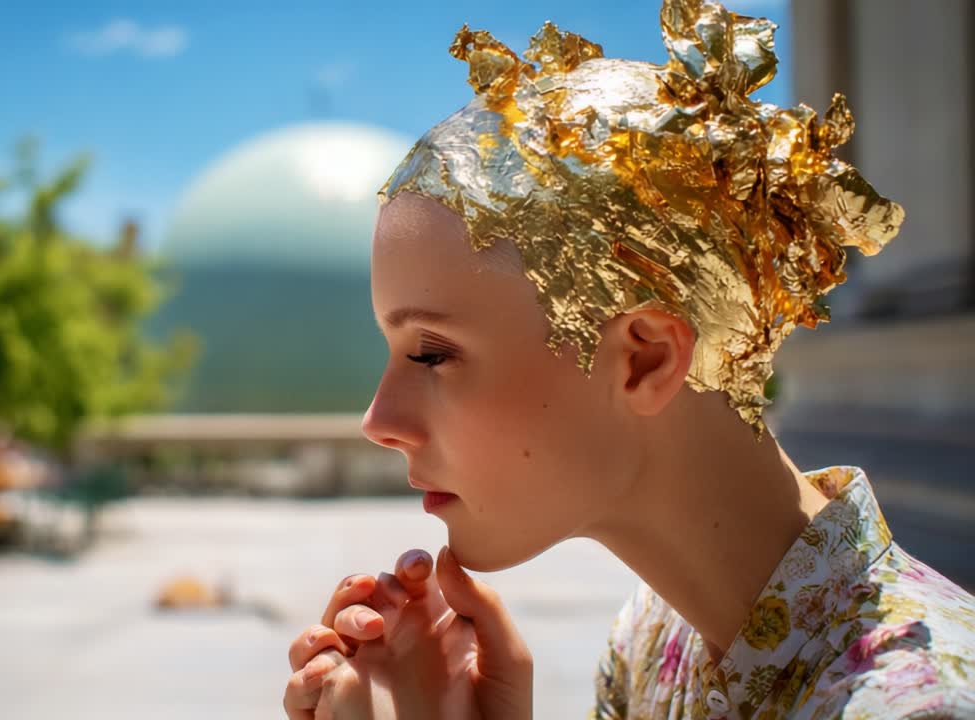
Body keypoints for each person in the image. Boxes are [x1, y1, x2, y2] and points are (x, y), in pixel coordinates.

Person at [282, 1, 975, 718]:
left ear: (644, 361)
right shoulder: (654, 640)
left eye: (431, 353)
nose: (378, 420)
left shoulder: (916, 707)